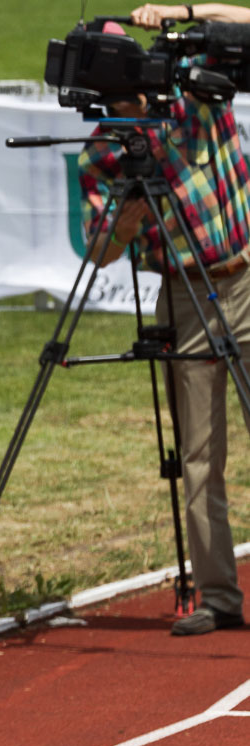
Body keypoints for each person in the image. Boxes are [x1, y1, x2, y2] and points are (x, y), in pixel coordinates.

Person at [79, 3, 250, 635]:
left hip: (248, 272)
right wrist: (130, 208)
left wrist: (185, 13)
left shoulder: (194, 89)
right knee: (202, 456)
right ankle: (218, 596)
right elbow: (100, 250)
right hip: (185, 295)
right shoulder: (101, 151)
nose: (138, 72)